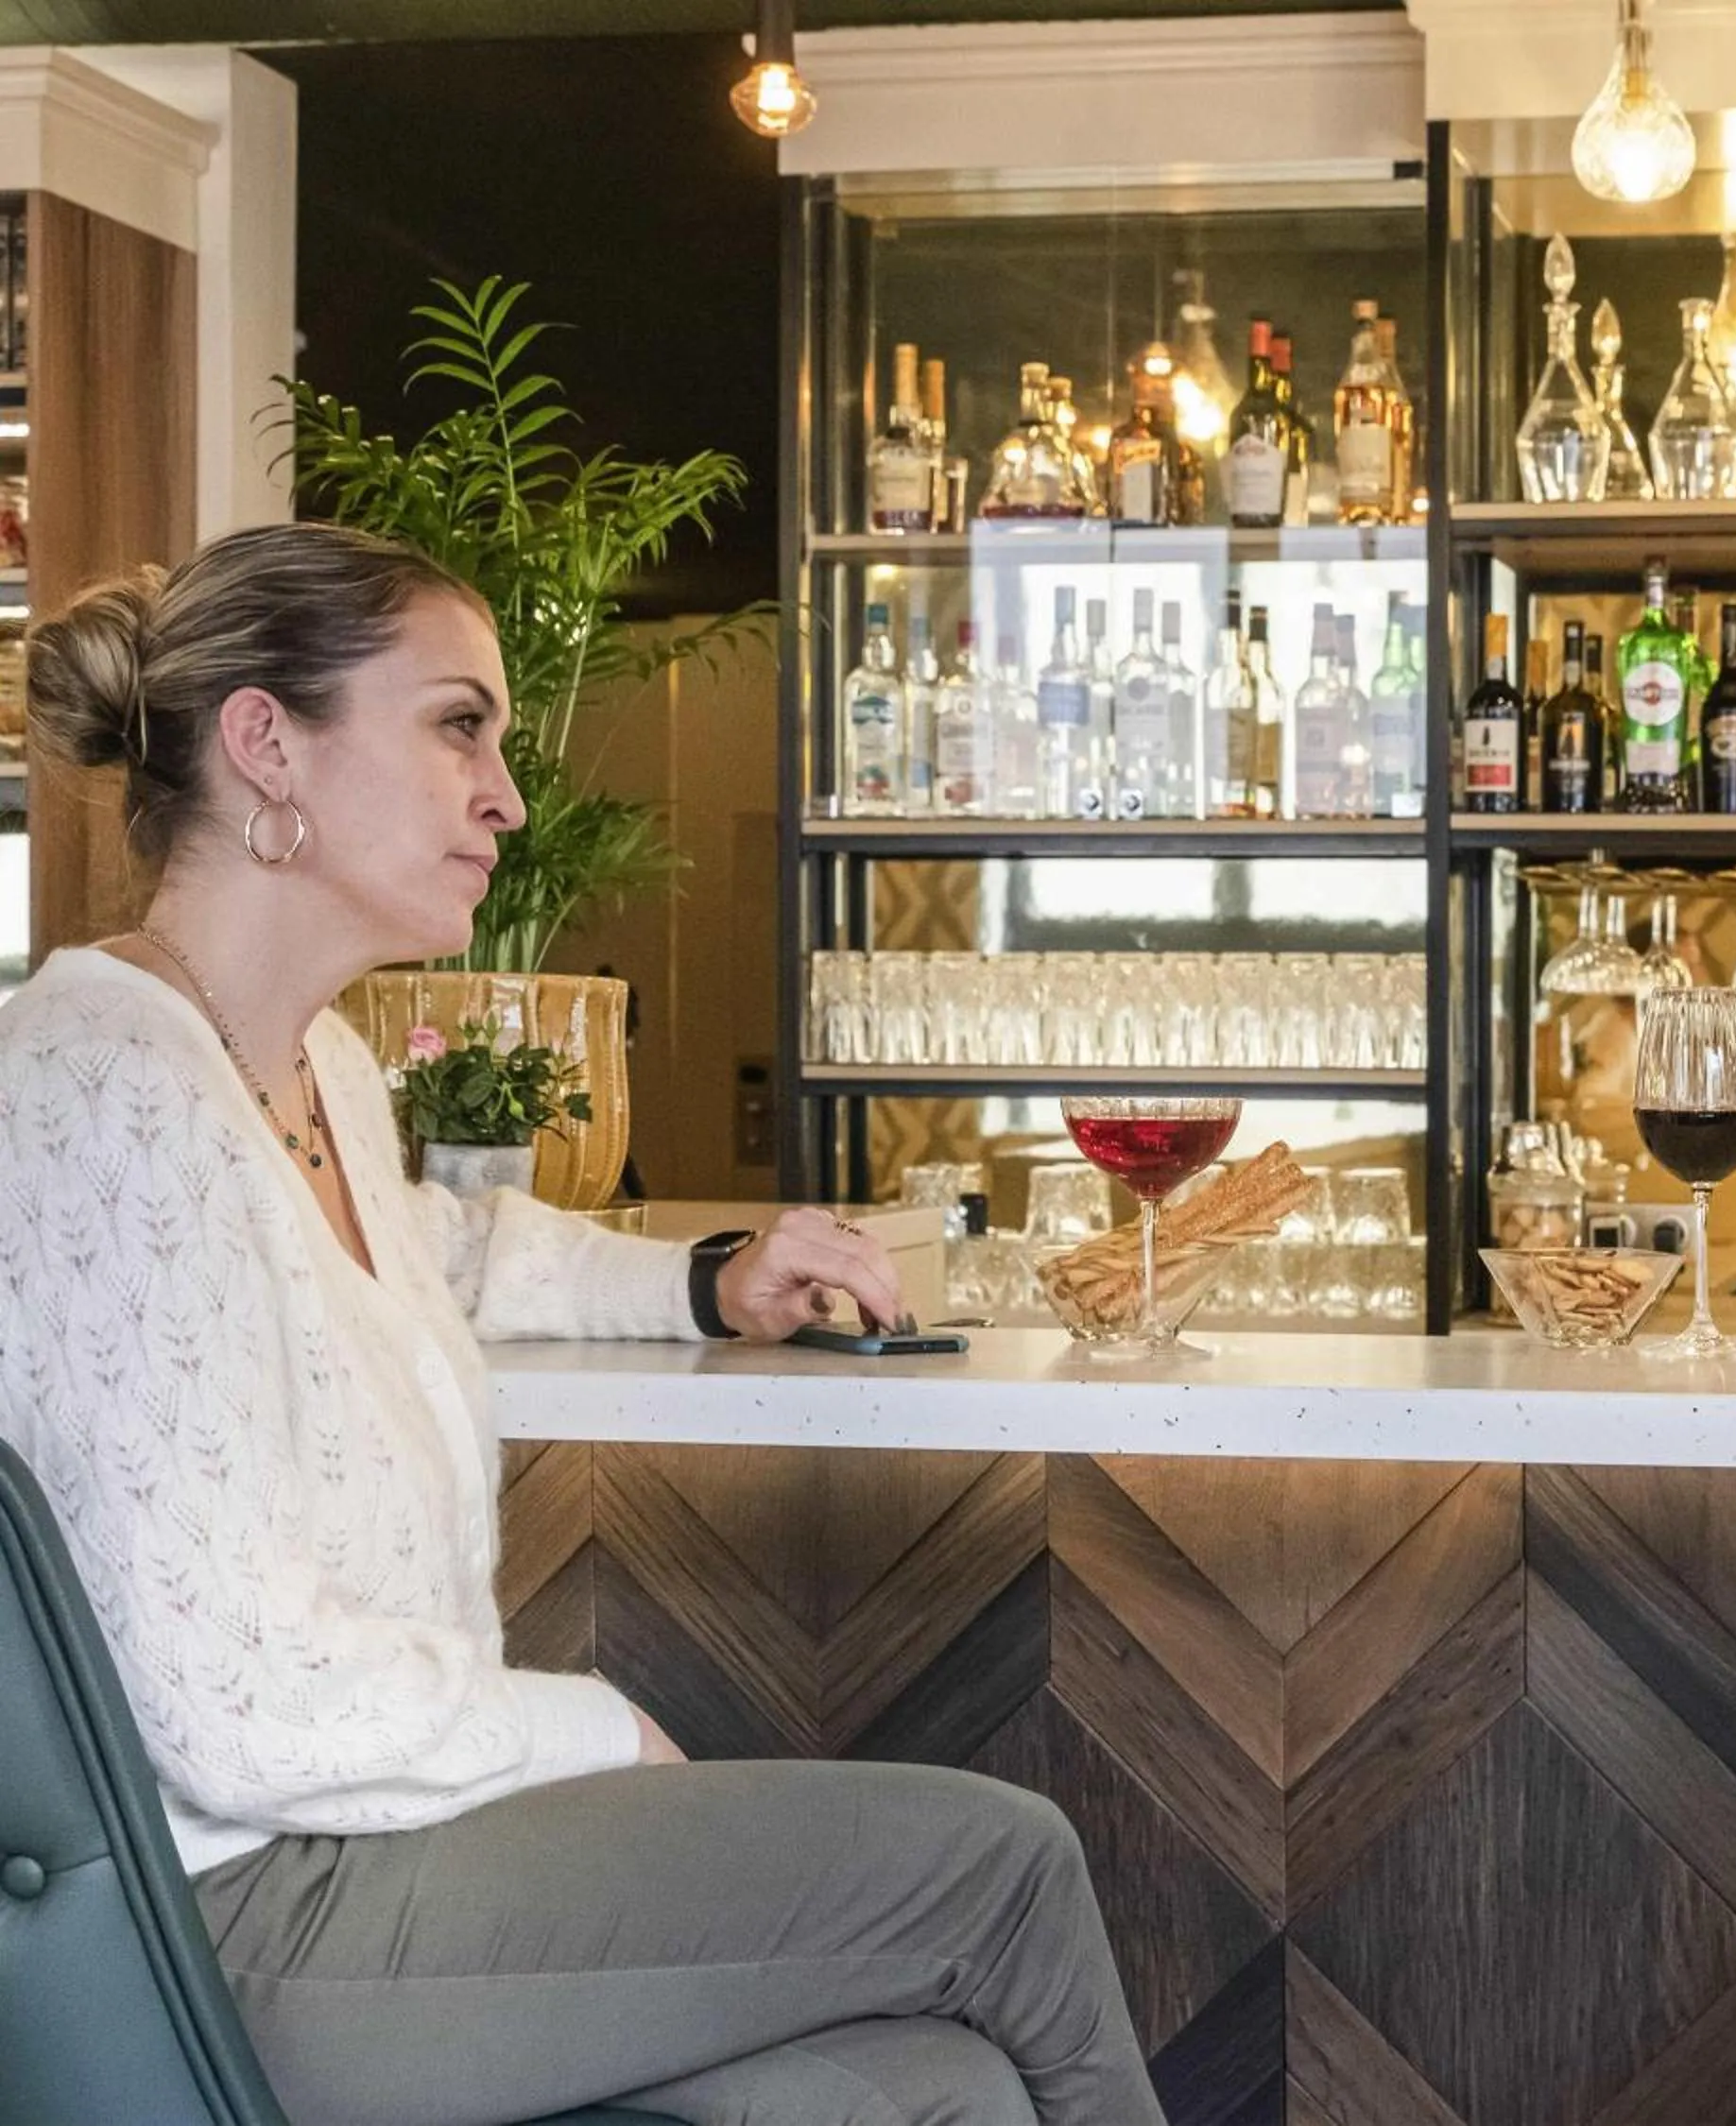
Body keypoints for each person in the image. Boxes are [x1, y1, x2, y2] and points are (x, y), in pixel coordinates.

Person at [0, 523, 1163, 2126]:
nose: (508, 795)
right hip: (240, 1928)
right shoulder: (98, 1091)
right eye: (456, 724)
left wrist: (709, 1276)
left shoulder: (306, 1068)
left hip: (388, 1854)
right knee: (1002, 1866)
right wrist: (590, 1726)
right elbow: (234, 1695)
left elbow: (439, 1254)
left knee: (925, 2084)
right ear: (266, 740)